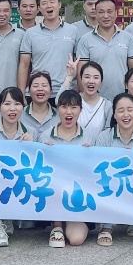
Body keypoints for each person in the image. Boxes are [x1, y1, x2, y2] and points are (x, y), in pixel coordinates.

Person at [93, 92, 133, 245]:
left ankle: (132, 221)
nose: (126, 115)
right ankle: (106, 226)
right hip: (112, 189)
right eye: (120, 110)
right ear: (114, 114)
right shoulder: (104, 137)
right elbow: (98, 169)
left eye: (130, 110)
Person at [0, 87, 34, 247]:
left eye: (17, 104)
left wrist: (31, 146)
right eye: (7, 104)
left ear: (23, 107)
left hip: (18, 178)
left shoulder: (30, 132)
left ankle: (9, 217)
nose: (12, 109)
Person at [37, 89, 92, 247]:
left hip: (77, 196)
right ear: (58, 109)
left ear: (80, 110)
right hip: (53, 195)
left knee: (76, 239)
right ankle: (57, 225)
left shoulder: (89, 136)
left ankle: (72, 221)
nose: (69, 112)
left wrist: (90, 154)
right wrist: (45, 152)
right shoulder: (46, 136)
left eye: (74, 107)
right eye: (64, 107)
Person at [76, 0, 133, 101]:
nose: (106, 16)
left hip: (122, 98)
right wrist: (86, 98)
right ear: (96, 14)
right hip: (95, 99)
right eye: (101, 12)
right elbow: (80, 72)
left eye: (109, 12)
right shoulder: (85, 40)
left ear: (116, 13)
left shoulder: (127, 37)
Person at [17, 0, 79, 94]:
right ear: (39, 8)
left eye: (52, 2)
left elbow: (80, 63)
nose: (48, 6)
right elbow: (24, 65)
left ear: (59, 5)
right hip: (38, 92)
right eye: (44, 3)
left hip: (66, 91)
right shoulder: (31, 33)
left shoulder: (73, 31)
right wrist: (21, 93)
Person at [21, 70, 60, 139]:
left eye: (44, 85)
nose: (40, 89)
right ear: (29, 91)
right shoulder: (20, 114)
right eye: (35, 86)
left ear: (51, 90)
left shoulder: (59, 116)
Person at [76, 61, 112, 134]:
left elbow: (107, 133)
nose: (91, 81)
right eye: (87, 77)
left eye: (96, 77)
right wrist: (70, 76)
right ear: (81, 78)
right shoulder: (73, 100)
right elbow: (59, 102)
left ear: (101, 81)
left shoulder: (107, 106)